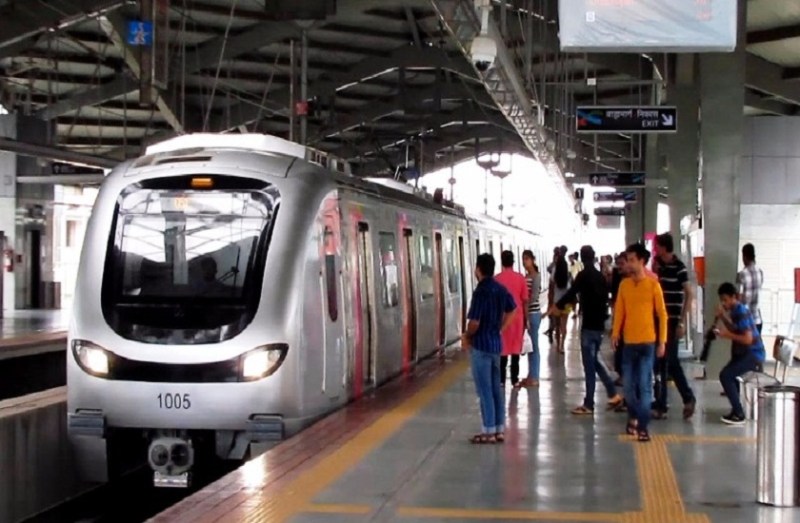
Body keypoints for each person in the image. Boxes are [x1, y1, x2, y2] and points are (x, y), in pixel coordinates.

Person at [549, 245, 623, 415]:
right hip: (599, 326)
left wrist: (557, 306)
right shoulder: (600, 277)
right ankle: (612, 393)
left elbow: (571, 294)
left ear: (582, 258)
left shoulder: (583, 276)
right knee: (594, 361)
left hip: (589, 326)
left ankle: (589, 404)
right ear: (593, 256)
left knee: (589, 366)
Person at [612, 243, 667, 442]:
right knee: (628, 387)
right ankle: (634, 415)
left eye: (632, 260)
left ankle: (642, 426)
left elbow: (662, 315)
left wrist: (662, 342)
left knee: (644, 386)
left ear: (642, 262)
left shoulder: (653, 286)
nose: (628, 264)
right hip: (628, 344)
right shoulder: (624, 285)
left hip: (647, 344)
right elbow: (620, 311)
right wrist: (615, 333)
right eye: (628, 260)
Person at [461, 253, 517, 444]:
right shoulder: (501, 289)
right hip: (496, 346)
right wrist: (501, 328)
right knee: (495, 389)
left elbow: (474, 322)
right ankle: (499, 429)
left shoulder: (480, 292)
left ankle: (488, 431)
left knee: (484, 390)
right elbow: (513, 309)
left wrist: (467, 336)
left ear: (478, 269)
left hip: (481, 346)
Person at [651, 233, 697, 420]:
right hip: (658, 320)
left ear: (664, 247)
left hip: (671, 321)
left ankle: (686, 397)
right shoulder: (657, 265)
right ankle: (661, 402)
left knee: (670, 360)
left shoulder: (679, 268)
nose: (655, 249)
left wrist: (682, 321)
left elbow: (689, 293)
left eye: (657, 246)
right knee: (660, 362)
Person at [713, 282, 766, 425]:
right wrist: (723, 317)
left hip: (753, 354)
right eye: (721, 300)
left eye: (725, 300)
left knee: (726, 375)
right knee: (731, 375)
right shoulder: (735, 310)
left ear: (733, 297)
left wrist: (726, 335)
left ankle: (738, 413)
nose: (723, 303)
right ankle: (737, 409)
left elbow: (747, 339)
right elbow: (736, 329)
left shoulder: (741, 311)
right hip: (746, 353)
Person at [495, 251, 528, 388]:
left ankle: (501, 380)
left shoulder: (497, 279)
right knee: (515, 349)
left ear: (502, 262)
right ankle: (514, 379)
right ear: (513, 262)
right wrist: (526, 320)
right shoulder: (520, 278)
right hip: (518, 318)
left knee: (502, 349)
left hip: (502, 319)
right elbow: (525, 300)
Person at [520, 250, 542, 387]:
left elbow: (533, 296)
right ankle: (531, 375)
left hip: (533, 314)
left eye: (527, 259)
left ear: (533, 260)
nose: (524, 262)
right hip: (528, 314)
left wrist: (526, 315)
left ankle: (534, 377)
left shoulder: (536, 276)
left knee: (533, 346)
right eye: (523, 259)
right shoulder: (526, 276)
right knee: (529, 346)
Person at [736, 243, 764, 334]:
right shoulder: (760, 272)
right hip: (757, 320)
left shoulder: (742, 274)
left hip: (746, 321)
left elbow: (739, 297)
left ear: (744, 256)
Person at [551, 254, 571, 354]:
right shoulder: (567, 272)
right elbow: (569, 288)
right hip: (566, 302)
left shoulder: (555, 271)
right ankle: (562, 345)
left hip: (556, 302)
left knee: (557, 326)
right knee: (564, 326)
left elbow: (552, 285)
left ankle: (558, 346)